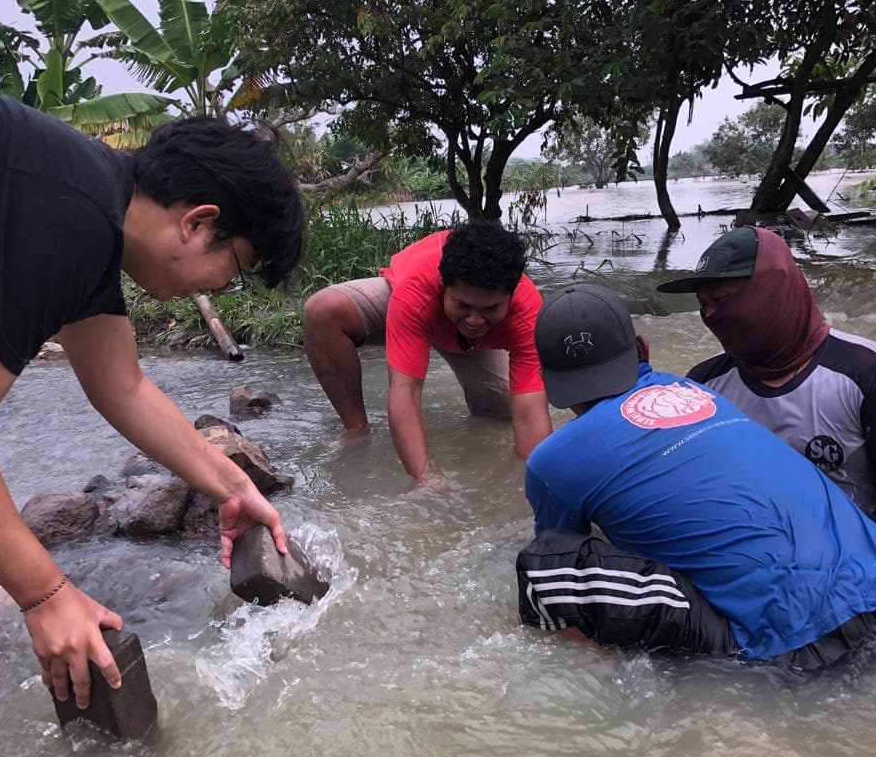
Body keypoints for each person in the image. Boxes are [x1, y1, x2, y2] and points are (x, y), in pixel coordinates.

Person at [0, 76, 305, 757]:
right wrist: (45, 596)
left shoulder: (89, 205)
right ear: (199, 223)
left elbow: (121, 385)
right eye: (232, 269)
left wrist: (232, 486)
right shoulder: (69, 211)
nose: (221, 286)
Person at [517, 283, 876, 669]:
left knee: (545, 565)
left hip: (798, 645)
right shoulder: (696, 389)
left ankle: (601, 676)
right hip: (869, 588)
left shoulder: (552, 460)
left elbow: (566, 547)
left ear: (546, 379)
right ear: (643, 349)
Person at [302, 222, 552, 485]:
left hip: (472, 336)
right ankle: (356, 428)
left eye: (489, 309)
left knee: (504, 411)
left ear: (510, 295)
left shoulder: (527, 311)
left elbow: (530, 413)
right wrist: (425, 478)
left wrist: (533, 483)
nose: (475, 320)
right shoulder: (415, 291)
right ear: (443, 285)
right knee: (322, 310)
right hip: (413, 305)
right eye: (463, 305)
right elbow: (406, 394)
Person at [656, 225, 876, 516]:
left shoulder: (863, 371)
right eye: (703, 305)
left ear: (770, 293)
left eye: (721, 300)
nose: (709, 315)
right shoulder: (704, 384)